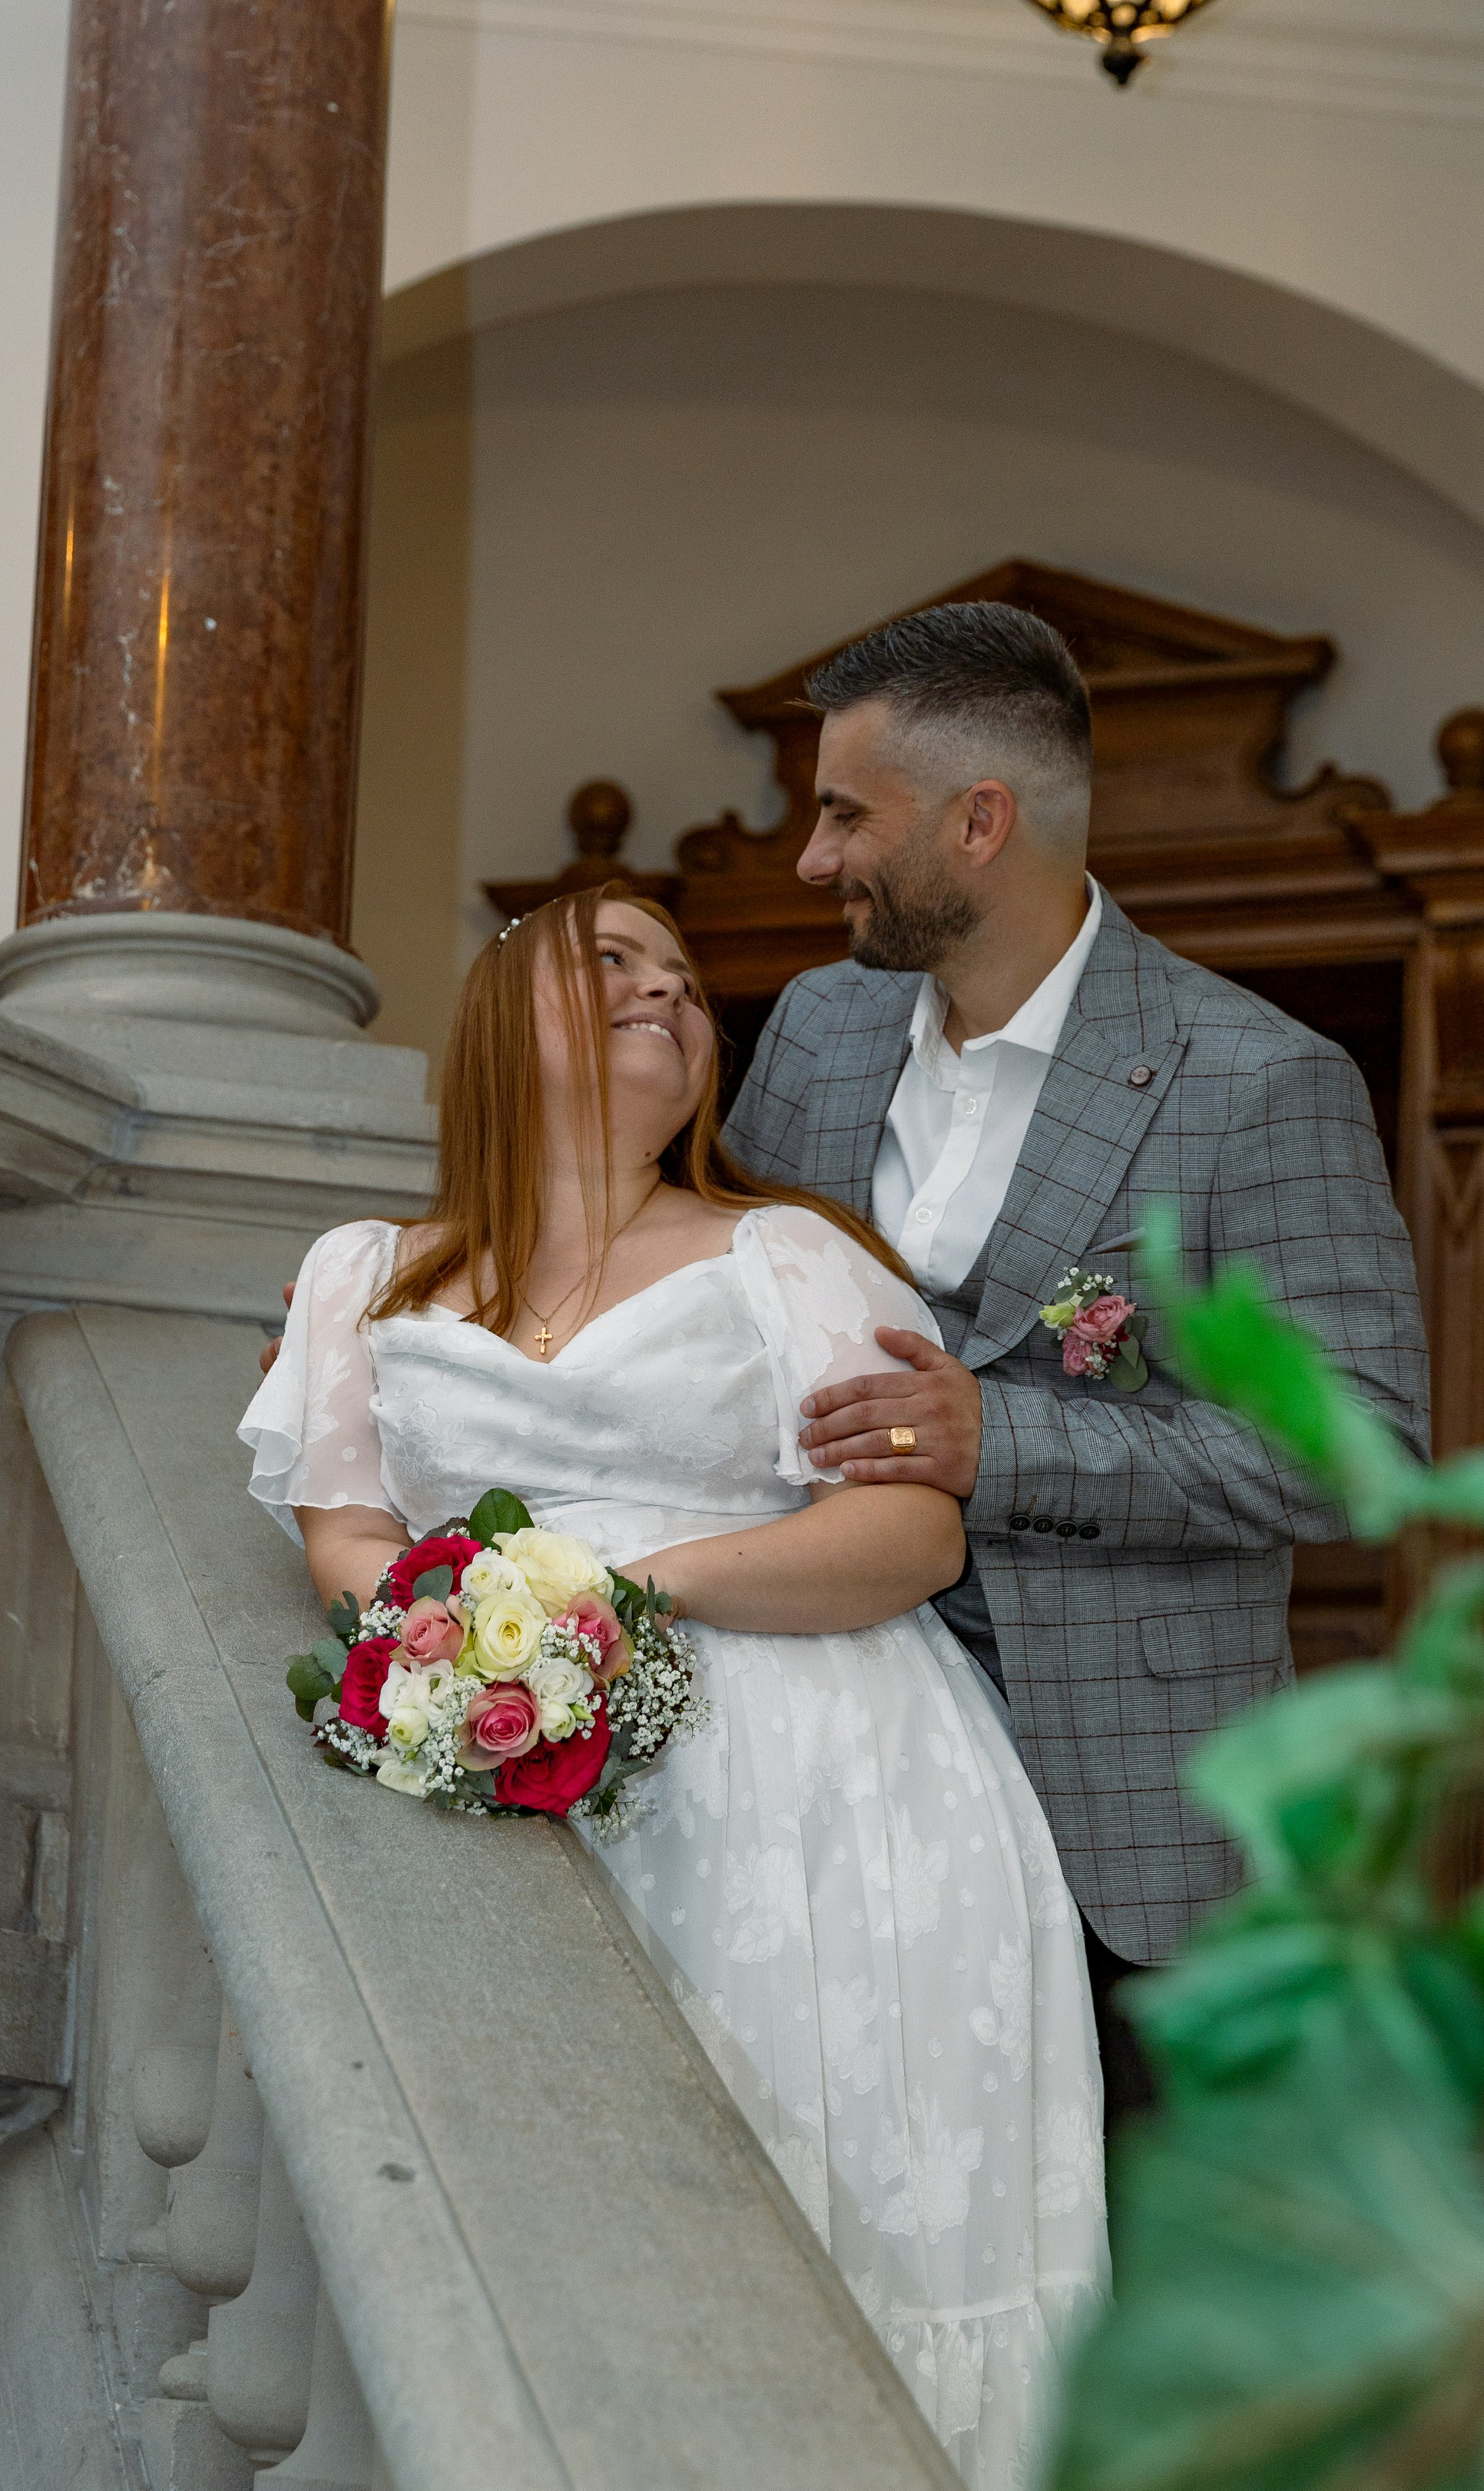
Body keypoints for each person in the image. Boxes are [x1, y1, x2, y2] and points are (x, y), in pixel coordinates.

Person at [239, 890, 1106, 2491]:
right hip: (513, 1785)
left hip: (821, 1790)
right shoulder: (366, 1273)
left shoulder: (787, 1259)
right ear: (502, 1018)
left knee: (815, 2203)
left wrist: (616, 1596)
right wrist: (441, 1640)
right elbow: (351, 1524)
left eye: (689, 981)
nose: (667, 991)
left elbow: (907, 1532)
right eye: (612, 962)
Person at [721, 602, 1432, 2112]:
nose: (812, 858)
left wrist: (1001, 1442)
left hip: (1132, 1844)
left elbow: (1350, 1449)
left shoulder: (1256, 1081)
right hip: (828, 1782)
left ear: (980, 819)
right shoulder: (811, 1033)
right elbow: (710, 1308)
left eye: (845, 813)